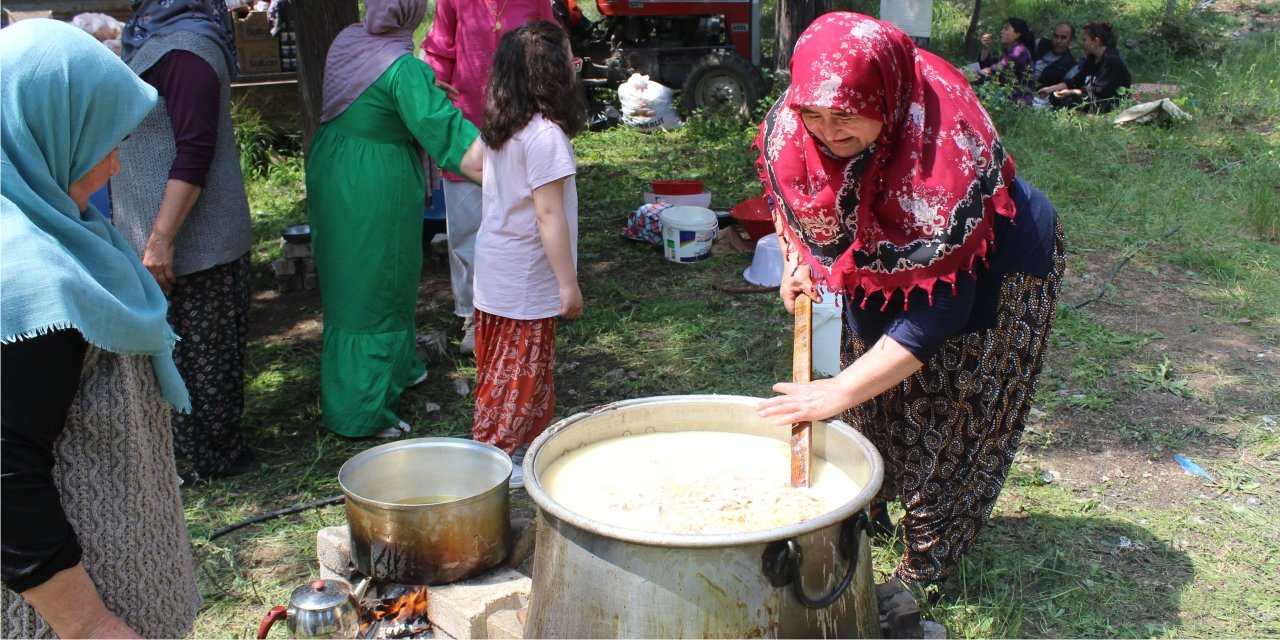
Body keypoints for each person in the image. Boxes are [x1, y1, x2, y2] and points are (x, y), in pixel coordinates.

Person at [754, 13, 1064, 587]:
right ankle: (871, 508)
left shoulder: (938, 163)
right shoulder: (800, 118)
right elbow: (788, 193)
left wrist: (839, 389)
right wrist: (797, 256)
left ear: (886, 98)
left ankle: (921, 574)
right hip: (877, 253)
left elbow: (938, 312)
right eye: (814, 115)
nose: (827, 132)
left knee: (954, 413)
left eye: (846, 116)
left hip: (995, 269)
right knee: (875, 392)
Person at [1, 19, 200, 638]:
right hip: (78, 612)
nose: (115, 162)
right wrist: (90, 625)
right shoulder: (30, 280)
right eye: (99, 140)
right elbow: (6, 476)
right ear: (41, 129)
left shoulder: (65, 229)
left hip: (126, 577)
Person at [307, 0, 484, 439]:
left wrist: (421, 91)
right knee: (377, 283)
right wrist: (511, 168)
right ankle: (361, 411)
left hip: (336, 169)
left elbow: (371, 96)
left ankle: (399, 368)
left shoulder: (350, 41)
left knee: (358, 279)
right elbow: (447, 133)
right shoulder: (403, 70)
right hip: (374, 184)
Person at [111, 0, 258, 483]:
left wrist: (160, 240)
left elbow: (195, 150)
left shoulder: (189, 47)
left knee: (205, 356)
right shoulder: (152, 35)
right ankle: (186, 456)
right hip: (164, 238)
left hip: (194, 243)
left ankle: (210, 459)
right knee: (177, 353)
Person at [473, 21, 586, 488]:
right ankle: (491, 466)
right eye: (573, 61)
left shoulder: (504, 128)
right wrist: (568, 284)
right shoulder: (545, 138)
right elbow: (548, 216)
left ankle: (521, 451)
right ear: (556, 75)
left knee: (508, 371)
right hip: (525, 279)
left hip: (494, 272)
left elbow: (469, 163)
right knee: (516, 376)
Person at [421, 0, 556, 355]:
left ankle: (524, 311)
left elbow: (553, 44)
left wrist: (555, 104)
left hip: (524, 124)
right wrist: (431, 86)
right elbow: (437, 51)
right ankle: (472, 316)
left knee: (527, 220)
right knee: (466, 228)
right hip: (467, 124)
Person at [1039, 21, 1132, 113]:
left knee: (1072, 100)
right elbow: (1076, 81)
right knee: (1055, 97)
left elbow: (1098, 91)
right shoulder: (1091, 58)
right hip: (1089, 96)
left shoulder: (1112, 61)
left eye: (1085, 40)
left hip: (1106, 100)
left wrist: (1072, 92)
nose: (1082, 43)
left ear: (1095, 41)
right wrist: (1051, 89)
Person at [974, 17, 1036, 104]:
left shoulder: (1020, 51)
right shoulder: (1008, 51)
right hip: (1005, 96)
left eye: (1006, 29)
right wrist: (985, 49)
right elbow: (987, 66)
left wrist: (974, 75)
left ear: (1017, 34)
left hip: (1017, 100)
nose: (1002, 31)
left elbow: (1000, 67)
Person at [1034, 21, 1079, 88]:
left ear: (1071, 41)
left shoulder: (1071, 66)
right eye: (1056, 36)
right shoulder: (1040, 44)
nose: (1058, 41)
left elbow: (1066, 87)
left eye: (1063, 38)